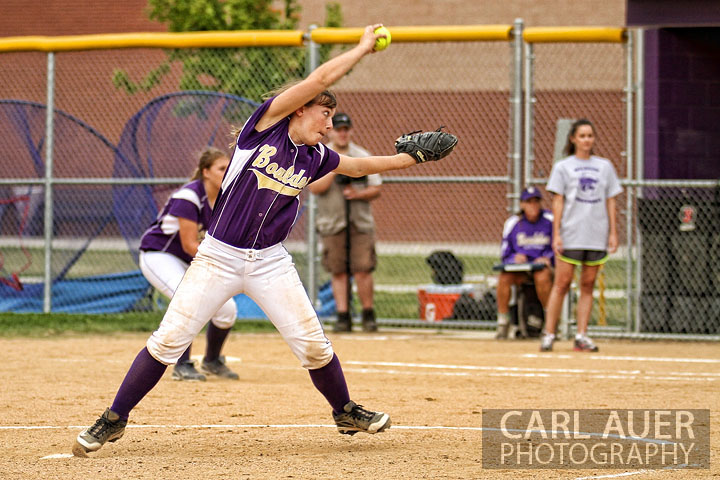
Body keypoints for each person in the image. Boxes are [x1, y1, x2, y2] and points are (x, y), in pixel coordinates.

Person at [73, 24, 456, 456]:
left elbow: (355, 168)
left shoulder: (314, 157)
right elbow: (318, 81)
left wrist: (412, 157)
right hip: (218, 256)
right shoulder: (264, 128)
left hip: (270, 261)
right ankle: (114, 418)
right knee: (168, 341)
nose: (328, 125)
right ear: (297, 110)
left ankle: (344, 410)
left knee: (313, 344)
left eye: (331, 118)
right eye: (323, 114)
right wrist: (362, 48)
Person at [138, 146, 239, 381]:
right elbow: (189, 244)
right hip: (160, 255)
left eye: (228, 167)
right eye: (221, 168)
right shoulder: (189, 196)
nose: (227, 172)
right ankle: (182, 365)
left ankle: (212, 361)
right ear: (206, 172)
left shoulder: (227, 199)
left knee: (227, 310)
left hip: (192, 261)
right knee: (187, 298)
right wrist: (225, 263)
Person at [539, 118, 622, 352]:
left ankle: (581, 335)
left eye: (590, 136)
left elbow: (611, 200)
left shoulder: (604, 166)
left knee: (588, 284)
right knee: (562, 283)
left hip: (596, 232)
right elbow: (557, 201)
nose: (587, 140)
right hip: (571, 231)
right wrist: (556, 234)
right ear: (573, 139)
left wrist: (613, 233)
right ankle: (549, 333)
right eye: (582, 136)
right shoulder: (564, 166)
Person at [307, 112, 381, 333]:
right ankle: (343, 315)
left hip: (359, 223)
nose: (342, 134)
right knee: (338, 270)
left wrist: (357, 194)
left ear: (351, 131)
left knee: (362, 269)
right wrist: (335, 164)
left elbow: (376, 187)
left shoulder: (361, 155)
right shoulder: (321, 155)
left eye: (346, 129)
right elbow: (315, 188)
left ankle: (368, 314)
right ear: (332, 132)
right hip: (333, 223)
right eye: (338, 130)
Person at [495, 186, 554, 339]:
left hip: (545, 268)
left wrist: (548, 257)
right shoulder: (514, 222)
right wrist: (514, 258)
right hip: (522, 269)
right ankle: (503, 322)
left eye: (536, 201)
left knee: (542, 276)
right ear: (522, 204)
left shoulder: (550, 219)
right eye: (528, 202)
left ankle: (550, 324)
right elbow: (505, 252)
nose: (532, 205)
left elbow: (559, 246)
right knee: (504, 278)